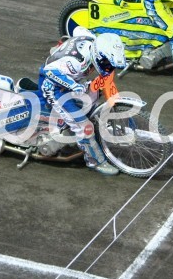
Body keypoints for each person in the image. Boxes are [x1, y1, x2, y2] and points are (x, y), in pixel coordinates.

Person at [39, 29, 126, 176]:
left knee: (95, 91)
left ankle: (75, 123)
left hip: (72, 81)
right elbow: (48, 71)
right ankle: (95, 161)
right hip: (55, 89)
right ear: (98, 56)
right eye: (107, 63)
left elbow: (77, 29)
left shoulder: (93, 40)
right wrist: (72, 85)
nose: (109, 68)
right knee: (85, 127)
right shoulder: (76, 63)